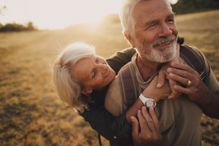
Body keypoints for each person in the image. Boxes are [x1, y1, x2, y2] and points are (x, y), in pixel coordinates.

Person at [102, 0, 219, 145]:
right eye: (152, 25)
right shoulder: (119, 93)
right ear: (130, 38)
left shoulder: (194, 58)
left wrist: (201, 93)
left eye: (169, 20)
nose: (167, 31)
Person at [53, 42, 166, 146]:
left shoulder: (111, 63)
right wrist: (148, 96)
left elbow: (147, 47)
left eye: (96, 59)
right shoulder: (86, 107)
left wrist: (169, 62)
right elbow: (116, 132)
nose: (103, 67)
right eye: (93, 73)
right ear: (85, 90)